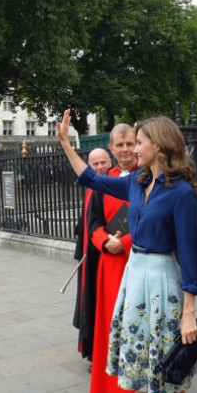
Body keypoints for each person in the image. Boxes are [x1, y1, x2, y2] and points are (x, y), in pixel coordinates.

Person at [57, 110, 197, 393]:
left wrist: (189, 311)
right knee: (135, 360)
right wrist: (67, 146)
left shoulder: (181, 193)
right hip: (134, 276)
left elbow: (191, 255)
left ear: (159, 146)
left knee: (169, 368)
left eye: (139, 143)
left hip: (163, 279)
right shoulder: (137, 183)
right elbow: (91, 178)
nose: (134, 149)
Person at [86, 125, 145, 393]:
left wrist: (121, 243)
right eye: (119, 144)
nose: (124, 149)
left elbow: (150, 220)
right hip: (109, 267)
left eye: (129, 143)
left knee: (135, 332)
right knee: (113, 333)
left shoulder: (146, 177)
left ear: (137, 146)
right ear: (111, 148)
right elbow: (93, 221)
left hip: (136, 262)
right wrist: (103, 242)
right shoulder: (102, 181)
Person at [73, 148, 112, 364]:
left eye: (103, 163)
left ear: (110, 161)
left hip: (105, 253)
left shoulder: (110, 183)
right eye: (95, 164)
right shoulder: (90, 187)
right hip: (90, 255)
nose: (99, 167)